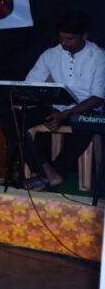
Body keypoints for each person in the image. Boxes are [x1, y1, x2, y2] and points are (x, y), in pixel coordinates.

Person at [19, 12, 105, 190]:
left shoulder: (99, 57)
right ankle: (45, 170)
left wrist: (66, 114)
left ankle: (55, 172)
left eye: (69, 39)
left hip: (84, 109)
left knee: (85, 124)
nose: (64, 43)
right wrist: (51, 110)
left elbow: (97, 98)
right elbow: (31, 86)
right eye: (61, 38)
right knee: (12, 117)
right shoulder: (50, 54)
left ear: (84, 36)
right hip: (55, 107)